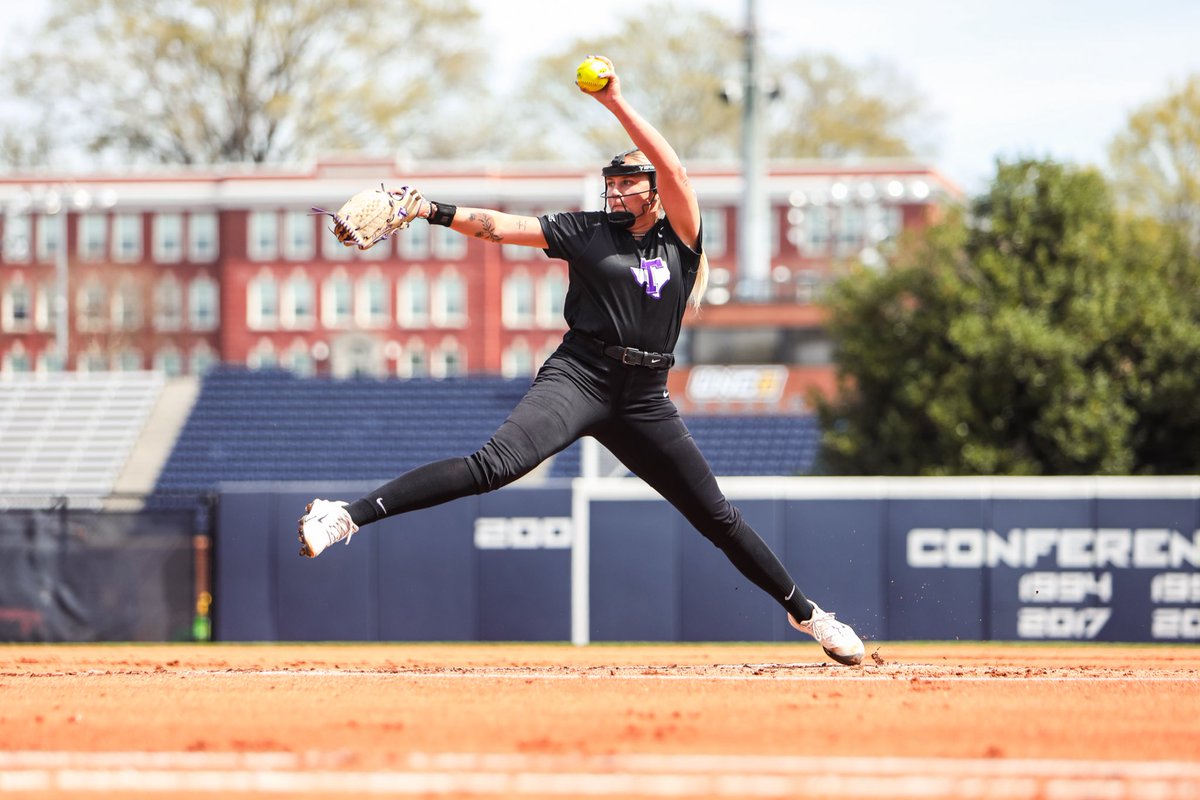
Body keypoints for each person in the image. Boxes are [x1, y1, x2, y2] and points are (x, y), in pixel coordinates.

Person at [298, 56, 864, 666]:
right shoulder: (586, 230)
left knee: (717, 517)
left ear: (654, 191)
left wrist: (615, 101)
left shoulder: (682, 239)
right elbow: (502, 227)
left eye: (630, 185)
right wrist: (428, 209)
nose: (618, 193)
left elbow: (673, 166)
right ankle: (344, 516)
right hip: (581, 375)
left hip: (644, 394)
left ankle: (810, 615)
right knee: (492, 466)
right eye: (611, 185)